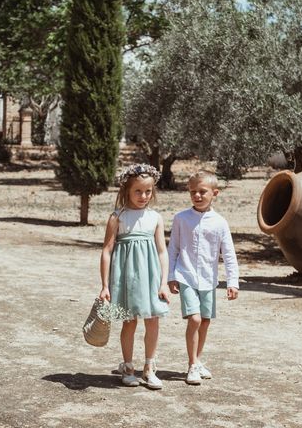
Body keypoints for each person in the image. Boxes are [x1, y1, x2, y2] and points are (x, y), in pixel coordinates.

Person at [98, 163, 171, 390]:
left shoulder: (155, 218)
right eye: (138, 191)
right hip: (126, 278)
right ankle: (128, 367)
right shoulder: (117, 217)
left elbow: (162, 251)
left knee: (152, 320)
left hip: (151, 277)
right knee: (129, 322)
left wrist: (163, 282)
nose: (143, 196)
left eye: (148, 191)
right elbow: (107, 251)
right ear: (126, 191)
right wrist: (104, 285)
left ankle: (149, 368)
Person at [167, 170, 240, 385]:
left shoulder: (220, 222)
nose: (197, 196)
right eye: (193, 192)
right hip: (186, 275)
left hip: (209, 279)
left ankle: (198, 361)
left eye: (202, 192)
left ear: (214, 193)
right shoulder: (181, 219)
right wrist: (171, 276)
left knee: (205, 321)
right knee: (195, 319)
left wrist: (232, 282)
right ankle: (191, 365)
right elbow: (173, 249)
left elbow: (228, 254)